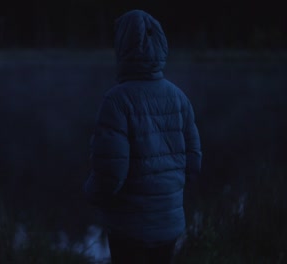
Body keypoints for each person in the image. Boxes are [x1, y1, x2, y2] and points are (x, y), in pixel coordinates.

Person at [83, 9, 202, 264]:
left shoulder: (116, 100)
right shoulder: (179, 97)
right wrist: (168, 199)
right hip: (169, 225)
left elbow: (111, 173)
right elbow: (194, 163)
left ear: (123, 47)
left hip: (129, 228)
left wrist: (91, 193)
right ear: (160, 44)